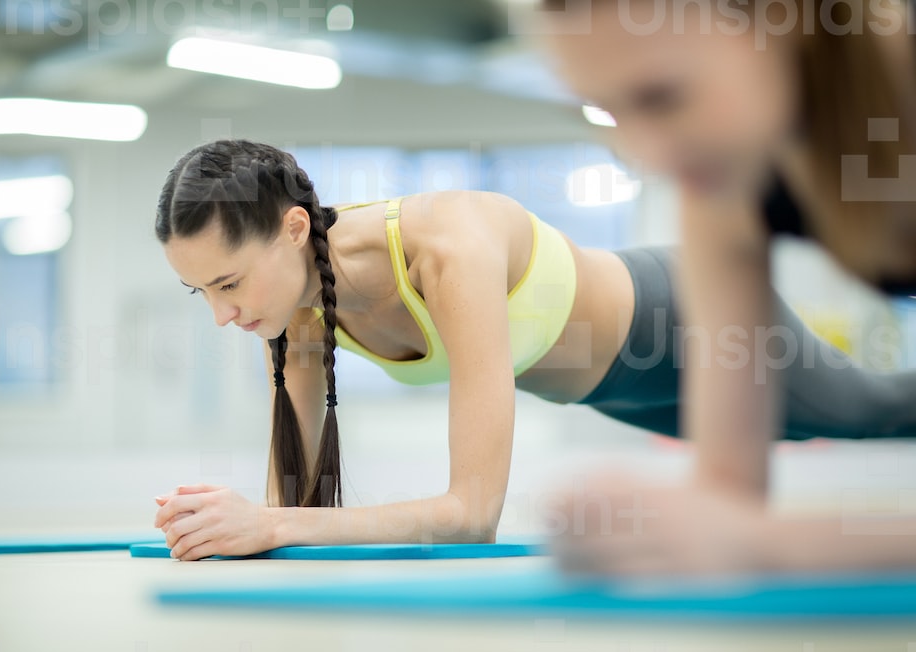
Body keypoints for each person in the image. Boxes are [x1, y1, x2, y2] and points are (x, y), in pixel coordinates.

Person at [151, 139, 916, 562]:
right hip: (618, 392)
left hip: (697, 324)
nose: (223, 315)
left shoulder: (447, 246)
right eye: (202, 294)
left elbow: (471, 515)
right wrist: (229, 524)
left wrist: (272, 525)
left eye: (228, 282)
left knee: (882, 411)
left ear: (291, 229)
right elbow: (293, 508)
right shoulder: (292, 312)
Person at [539, 0, 916, 573]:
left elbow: (745, 533)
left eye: (662, 97)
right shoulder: (723, 189)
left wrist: (770, 542)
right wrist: (640, 529)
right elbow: (727, 496)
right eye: (607, 111)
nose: (646, 154)